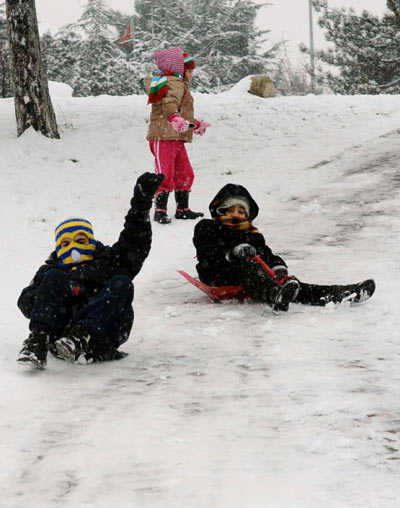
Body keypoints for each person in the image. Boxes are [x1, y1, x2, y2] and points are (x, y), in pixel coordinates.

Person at [17, 172, 165, 369]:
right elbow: (26, 301)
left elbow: (135, 244)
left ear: (91, 242)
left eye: (81, 241)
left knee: (122, 282)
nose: (74, 248)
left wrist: (140, 206)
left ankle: (81, 335)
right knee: (54, 277)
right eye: (66, 243)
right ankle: (37, 342)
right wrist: (63, 290)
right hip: (59, 335)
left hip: (100, 337)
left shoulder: (108, 261)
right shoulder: (50, 270)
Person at [193, 183, 376, 312]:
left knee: (292, 284)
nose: (236, 214)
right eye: (231, 209)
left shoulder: (252, 234)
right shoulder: (207, 227)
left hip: (253, 277)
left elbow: (267, 254)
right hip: (218, 274)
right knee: (250, 269)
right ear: (221, 210)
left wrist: (277, 267)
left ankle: (340, 293)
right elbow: (207, 251)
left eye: (241, 211)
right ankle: (274, 294)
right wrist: (234, 252)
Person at [146, 46, 211, 224]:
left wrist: (194, 124)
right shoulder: (171, 82)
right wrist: (174, 117)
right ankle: (160, 210)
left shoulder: (178, 83)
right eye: (190, 70)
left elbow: (181, 111)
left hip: (175, 137)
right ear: (181, 70)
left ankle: (183, 209)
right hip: (163, 135)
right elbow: (170, 104)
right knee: (164, 174)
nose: (192, 73)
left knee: (185, 173)